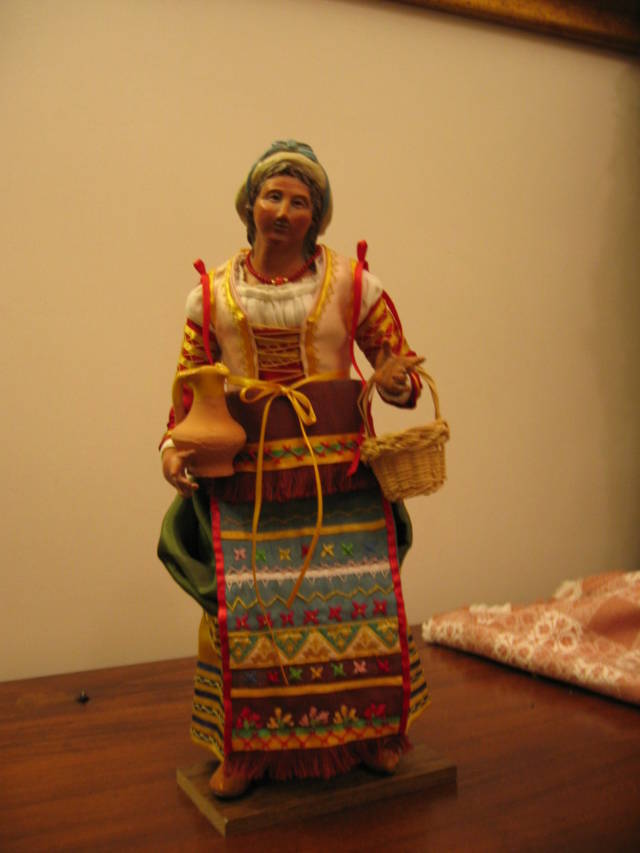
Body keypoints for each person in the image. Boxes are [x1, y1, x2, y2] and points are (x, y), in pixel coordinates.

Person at [158, 140, 429, 798]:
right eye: (273, 196)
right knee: (250, 612)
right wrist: (173, 444)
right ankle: (247, 749)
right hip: (245, 473)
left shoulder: (354, 285)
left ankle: (371, 734)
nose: (283, 211)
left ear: (317, 216)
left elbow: (397, 363)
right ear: (250, 204)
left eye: (299, 201)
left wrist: (396, 379)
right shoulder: (210, 295)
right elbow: (190, 385)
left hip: (342, 474)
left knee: (353, 603)